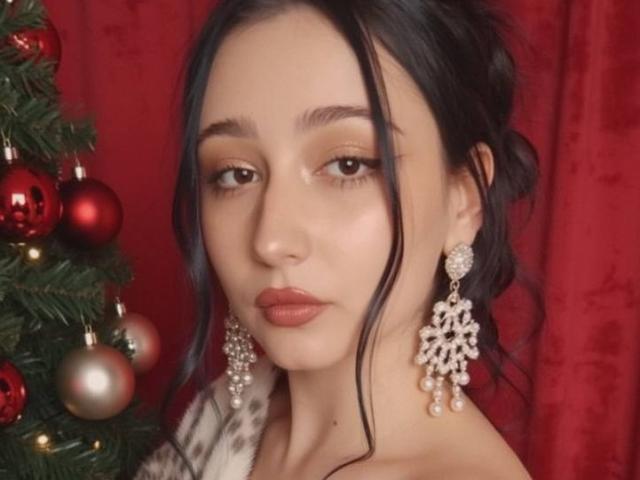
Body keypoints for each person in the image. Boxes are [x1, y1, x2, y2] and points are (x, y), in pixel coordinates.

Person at [135, 0, 539, 479]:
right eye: (235, 174)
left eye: (348, 165)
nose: (270, 240)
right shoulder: (216, 421)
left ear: (464, 199)